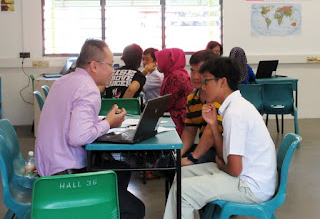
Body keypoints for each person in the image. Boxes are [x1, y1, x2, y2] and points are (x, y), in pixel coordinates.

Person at [35, 39, 145, 219]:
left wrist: (105, 119)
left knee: (121, 169)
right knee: (136, 209)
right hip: (64, 177)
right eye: (110, 65)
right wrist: (107, 123)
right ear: (94, 66)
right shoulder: (89, 89)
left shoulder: (65, 81)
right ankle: (97, 208)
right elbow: (78, 137)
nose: (113, 70)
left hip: (47, 168)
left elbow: (73, 120)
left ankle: (103, 209)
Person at [163, 57, 278, 219]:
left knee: (183, 191)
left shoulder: (235, 113)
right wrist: (213, 125)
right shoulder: (234, 106)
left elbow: (234, 169)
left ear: (222, 82)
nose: (203, 87)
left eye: (206, 82)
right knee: (181, 175)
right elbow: (224, 156)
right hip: (247, 176)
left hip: (250, 186)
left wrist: (222, 167)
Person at [180, 50, 222, 166]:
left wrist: (191, 159)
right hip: (205, 147)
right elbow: (189, 131)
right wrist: (178, 154)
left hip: (221, 151)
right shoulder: (192, 98)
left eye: (201, 72)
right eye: (192, 71)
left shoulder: (218, 98)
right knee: (169, 162)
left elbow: (210, 134)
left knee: (183, 167)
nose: (195, 77)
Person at [155, 48, 193, 137]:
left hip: (177, 120)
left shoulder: (175, 77)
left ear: (168, 61)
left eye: (160, 60)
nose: (157, 64)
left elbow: (167, 103)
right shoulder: (178, 73)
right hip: (182, 117)